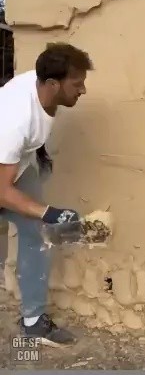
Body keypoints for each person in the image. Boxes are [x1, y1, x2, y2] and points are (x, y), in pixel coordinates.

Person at [0, 42, 93, 345]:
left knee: (37, 232)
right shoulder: (15, 120)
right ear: (53, 84)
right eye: (77, 84)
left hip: (13, 164)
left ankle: (34, 322)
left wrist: (38, 153)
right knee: (42, 219)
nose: (83, 90)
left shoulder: (42, 87)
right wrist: (48, 212)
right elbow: (1, 191)